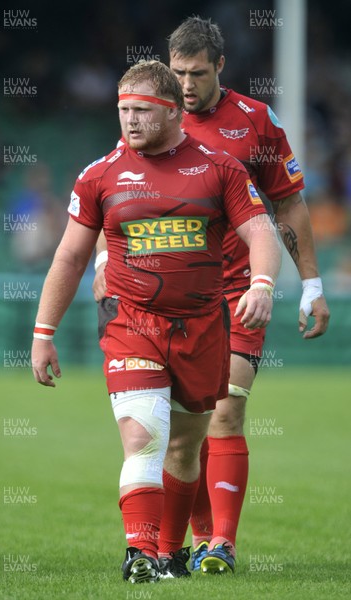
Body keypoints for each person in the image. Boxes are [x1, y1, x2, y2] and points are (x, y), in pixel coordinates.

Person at [92, 18, 330, 577]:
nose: (187, 84)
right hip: (167, 302)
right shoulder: (149, 116)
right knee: (179, 433)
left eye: (197, 73)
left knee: (227, 414)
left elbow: (290, 206)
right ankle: (184, 543)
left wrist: (310, 284)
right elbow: (113, 192)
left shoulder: (256, 123)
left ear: (220, 67)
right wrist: (105, 260)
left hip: (239, 291)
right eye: (177, 73)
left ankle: (220, 543)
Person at [32, 59, 281, 584]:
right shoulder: (99, 174)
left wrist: (261, 284)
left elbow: (261, 232)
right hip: (132, 324)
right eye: (123, 110)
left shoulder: (221, 168)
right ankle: (139, 552)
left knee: (185, 448)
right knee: (144, 435)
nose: (130, 121)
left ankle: (170, 553)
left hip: (203, 328)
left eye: (141, 110)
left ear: (172, 113)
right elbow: (69, 257)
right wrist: (43, 333)